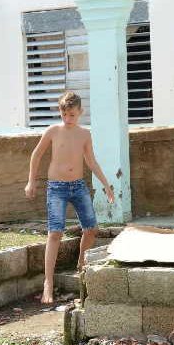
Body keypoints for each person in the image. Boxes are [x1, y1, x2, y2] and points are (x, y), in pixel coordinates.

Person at [24, 91, 114, 304]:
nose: (68, 118)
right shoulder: (53, 131)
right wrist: (31, 181)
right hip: (56, 187)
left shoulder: (85, 134)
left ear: (80, 112)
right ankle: (48, 282)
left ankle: (81, 261)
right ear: (60, 112)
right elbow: (36, 155)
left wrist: (106, 185)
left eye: (72, 114)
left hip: (78, 186)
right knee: (55, 232)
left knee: (91, 228)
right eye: (64, 114)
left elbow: (91, 162)